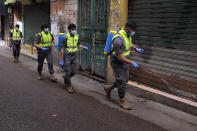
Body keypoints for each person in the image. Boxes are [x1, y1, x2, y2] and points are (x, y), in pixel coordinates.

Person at [104, 21, 144, 110]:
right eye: (132, 30)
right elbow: (119, 57)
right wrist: (131, 62)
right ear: (127, 28)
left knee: (125, 80)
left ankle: (109, 87)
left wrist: (136, 48)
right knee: (122, 81)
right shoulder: (118, 39)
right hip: (117, 61)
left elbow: (128, 43)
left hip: (124, 60)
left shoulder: (127, 35)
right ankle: (122, 101)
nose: (134, 32)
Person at [59, 23, 85, 93]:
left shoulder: (77, 36)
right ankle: (68, 85)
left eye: (75, 29)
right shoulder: (65, 38)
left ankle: (66, 78)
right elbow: (62, 49)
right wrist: (61, 60)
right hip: (67, 56)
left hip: (74, 56)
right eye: (73, 29)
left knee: (73, 72)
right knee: (68, 71)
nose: (74, 31)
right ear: (69, 30)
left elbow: (78, 44)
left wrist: (81, 46)